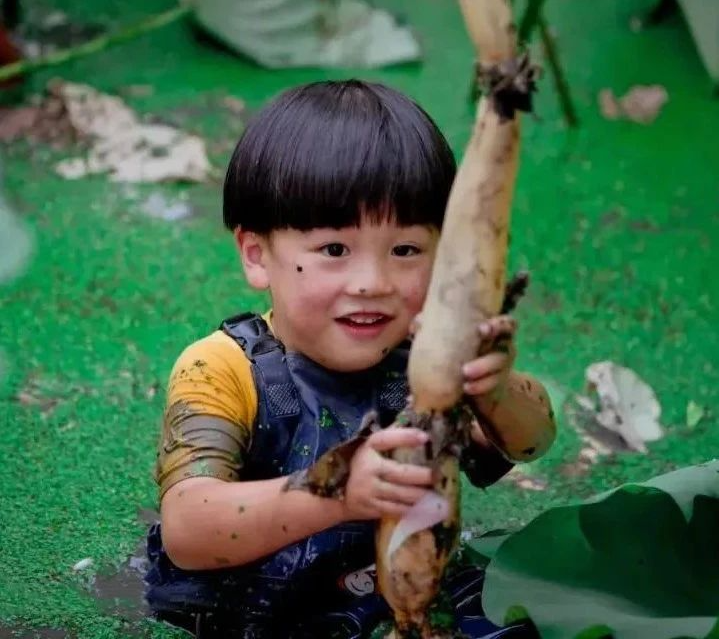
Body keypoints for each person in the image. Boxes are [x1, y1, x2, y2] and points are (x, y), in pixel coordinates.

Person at [144, 80, 555, 638]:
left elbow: (529, 442)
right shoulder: (220, 368)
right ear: (257, 254)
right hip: (265, 614)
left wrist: (495, 390)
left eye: (406, 250)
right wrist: (334, 491)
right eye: (335, 250)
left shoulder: (425, 360)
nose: (373, 283)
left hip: (399, 598)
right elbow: (188, 531)